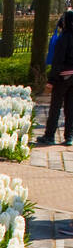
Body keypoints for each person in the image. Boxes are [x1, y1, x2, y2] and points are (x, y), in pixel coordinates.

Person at [36, 8, 73, 146]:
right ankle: (69, 136)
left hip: (62, 77)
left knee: (55, 107)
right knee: (70, 108)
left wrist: (51, 80)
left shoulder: (63, 39)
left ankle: (50, 136)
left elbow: (57, 62)